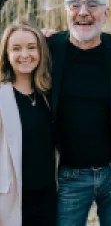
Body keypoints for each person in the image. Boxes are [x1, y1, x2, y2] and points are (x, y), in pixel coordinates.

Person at [47, 0, 111, 226]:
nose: (83, 12)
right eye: (75, 5)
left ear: (106, 12)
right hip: (68, 176)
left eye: (92, 4)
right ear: (66, 11)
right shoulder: (49, 49)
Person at [0, 21, 57, 226]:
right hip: (11, 200)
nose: (25, 55)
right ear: (6, 54)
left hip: (48, 198)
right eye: (16, 48)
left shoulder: (48, 95)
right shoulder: (1, 96)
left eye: (32, 47)